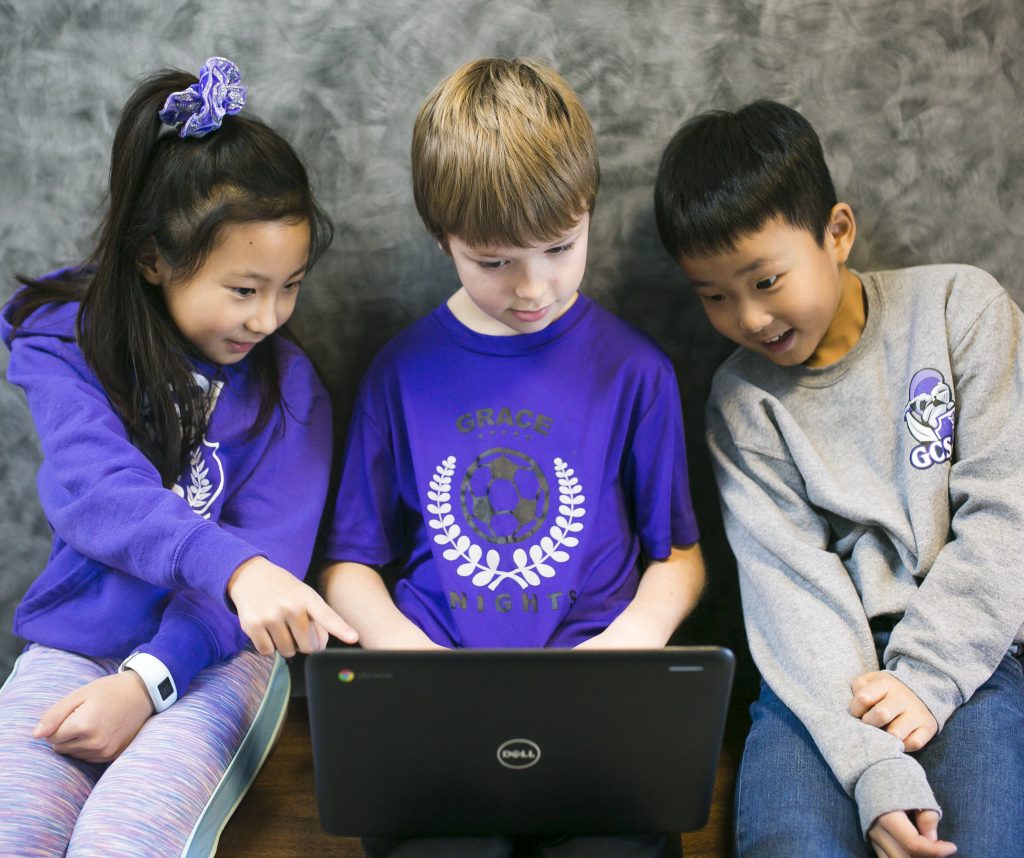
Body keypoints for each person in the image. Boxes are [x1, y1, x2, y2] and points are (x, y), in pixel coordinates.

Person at [322, 58, 705, 857]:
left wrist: (621, 653)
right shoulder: (400, 372)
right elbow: (349, 567)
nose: (533, 287)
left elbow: (680, 560)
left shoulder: (636, 372)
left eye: (561, 248)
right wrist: (416, 664)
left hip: (594, 709)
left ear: (589, 211)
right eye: (493, 261)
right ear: (444, 239)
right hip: (437, 712)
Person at [0, 57, 357, 856]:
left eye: (290, 285)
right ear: (155, 258)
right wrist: (233, 566)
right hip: (76, 642)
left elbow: (267, 573)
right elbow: (98, 491)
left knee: (122, 841)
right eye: (244, 289)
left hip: (216, 655)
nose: (270, 316)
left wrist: (148, 682)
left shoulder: (292, 393)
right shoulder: (65, 343)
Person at [653, 99, 1024, 858]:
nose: (750, 319)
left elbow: (1007, 516)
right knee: (791, 843)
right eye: (715, 296)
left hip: (971, 655)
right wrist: (874, 769)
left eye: (766, 280)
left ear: (837, 233)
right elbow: (790, 588)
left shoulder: (961, 309)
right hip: (817, 676)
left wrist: (926, 677)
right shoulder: (742, 400)